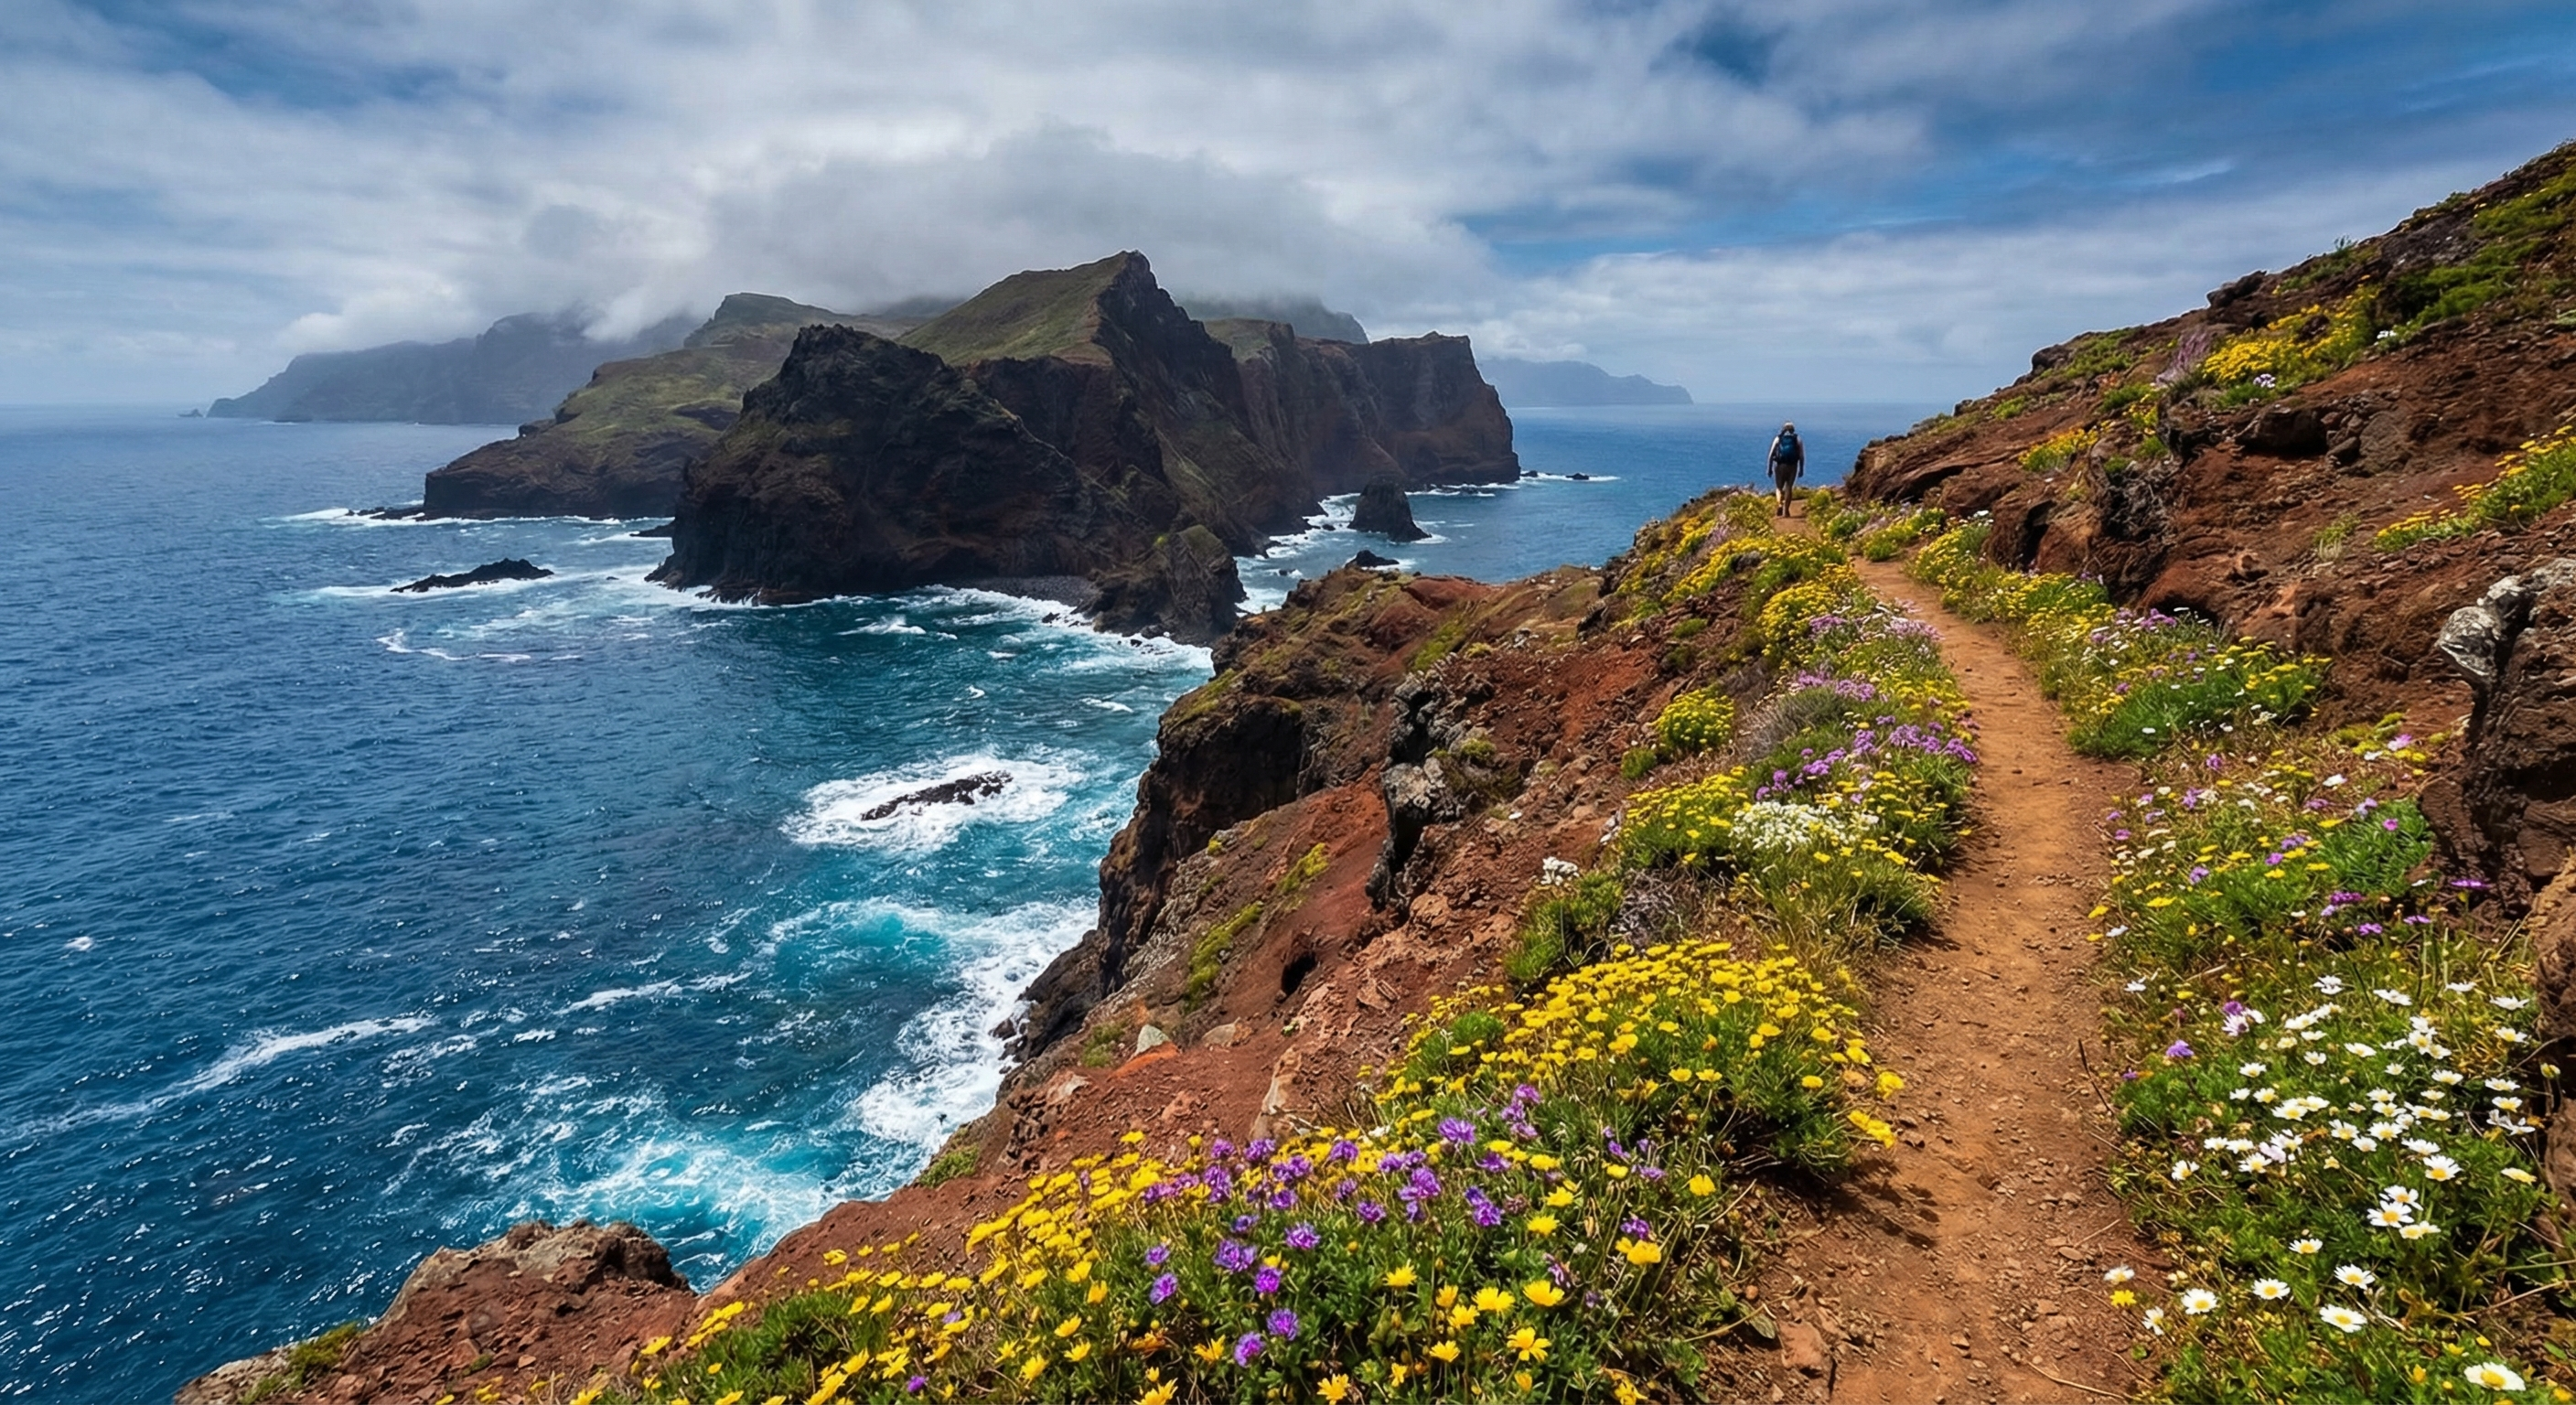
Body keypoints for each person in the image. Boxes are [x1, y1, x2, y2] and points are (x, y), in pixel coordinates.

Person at [1767, 421, 1805, 516]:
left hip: (1780, 465)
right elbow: (1801, 456)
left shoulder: (1778, 439)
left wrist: (1769, 468)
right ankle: (1786, 510)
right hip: (1792, 465)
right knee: (1789, 487)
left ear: (1783, 429)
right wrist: (1801, 469)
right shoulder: (1797, 439)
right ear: (1793, 429)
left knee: (1778, 488)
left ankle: (1780, 504)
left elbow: (1771, 455)